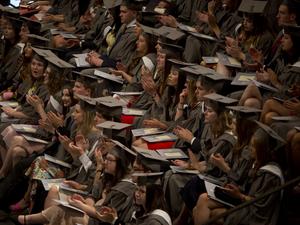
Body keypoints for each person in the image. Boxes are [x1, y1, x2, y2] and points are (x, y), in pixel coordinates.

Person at [193, 122, 285, 225]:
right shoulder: (257, 161)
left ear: (263, 151)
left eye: (254, 147)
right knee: (197, 208)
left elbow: (260, 205)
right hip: (243, 201)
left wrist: (239, 195)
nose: (250, 149)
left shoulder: (270, 175)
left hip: (253, 212)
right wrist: (235, 190)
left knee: (212, 211)